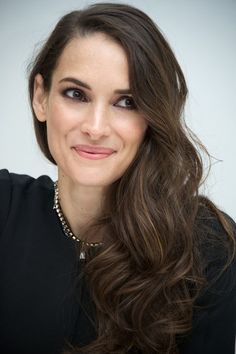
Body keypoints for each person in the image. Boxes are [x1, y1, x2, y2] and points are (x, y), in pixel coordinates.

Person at [0, 3, 235, 354]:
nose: (95, 128)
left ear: (152, 117)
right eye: (76, 94)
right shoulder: (4, 205)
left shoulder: (208, 248)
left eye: (126, 101)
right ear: (41, 97)